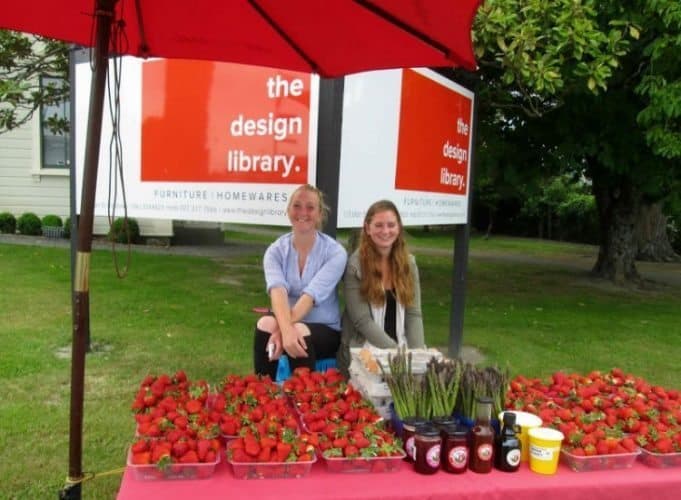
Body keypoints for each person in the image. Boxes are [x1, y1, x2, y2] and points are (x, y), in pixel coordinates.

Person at [253, 184, 347, 380]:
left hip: (325, 329)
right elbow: (278, 293)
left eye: (310, 207)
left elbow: (309, 297)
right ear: (288, 211)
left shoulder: (335, 252)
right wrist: (282, 329)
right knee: (265, 323)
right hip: (287, 321)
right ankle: (263, 393)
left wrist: (285, 331)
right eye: (297, 205)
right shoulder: (275, 251)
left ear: (320, 214)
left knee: (297, 331)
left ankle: (304, 402)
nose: (303, 212)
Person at [337, 200, 424, 377]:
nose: (385, 231)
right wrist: (396, 353)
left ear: (398, 228)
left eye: (391, 225)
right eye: (379, 225)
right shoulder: (355, 266)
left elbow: (413, 314)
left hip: (401, 348)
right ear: (367, 228)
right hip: (364, 351)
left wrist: (417, 356)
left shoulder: (409, 264)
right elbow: (362, 321)